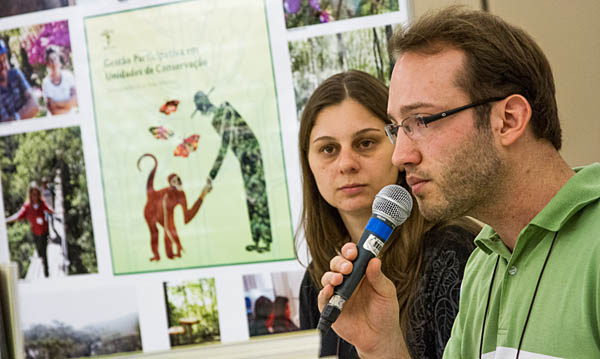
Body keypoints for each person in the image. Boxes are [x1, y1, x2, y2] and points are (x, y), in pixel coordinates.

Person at [319, 6, 600, 358]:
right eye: (397, 128)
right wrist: (382, 346)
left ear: (508, 120)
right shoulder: (485, 261)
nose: (400, 156)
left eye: (421, 121)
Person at [297, 70, 480, 358]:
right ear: (308, 163)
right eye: (328, 149)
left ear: (399, 145)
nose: (346, 164)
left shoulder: (455, 250)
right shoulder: (315, 282)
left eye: (365, 143)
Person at [192, 90, 273, 253]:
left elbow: (224, 146)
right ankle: (257, 240)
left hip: (251, 156)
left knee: (258, 198)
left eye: (202, 109)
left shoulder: (223, 113)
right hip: (244, 158)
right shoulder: (220, 114)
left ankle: (266, 241)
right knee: (252, 199)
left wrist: (212, 174)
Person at [6, 181, 55, 278]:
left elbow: (48, 208)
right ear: (30, 195)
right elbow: (19, 215)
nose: (35, 196)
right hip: (36, 232)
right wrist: (6, 220)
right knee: (39, 251)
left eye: (36, 194)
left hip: (44, 231)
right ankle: (42, 259)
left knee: (44, 251)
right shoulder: (27, 206)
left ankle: (46, 272)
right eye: (33, 194)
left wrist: (53, 211)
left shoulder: (42, 203)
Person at [0, 39, 39, 122]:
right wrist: (26, 112)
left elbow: (35, 105)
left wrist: (15, 118)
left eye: (4, 59)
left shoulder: (16, 74)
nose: (3, 66)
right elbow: (6, 124)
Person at [42, 46, 77, 115]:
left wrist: (56, 103)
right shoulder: (46, 83)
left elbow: (75, 102)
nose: (53, 63)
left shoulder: (68, 75)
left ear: (59, 60)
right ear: (48, 64)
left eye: (55, 59)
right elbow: (52, 110)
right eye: (50, 60)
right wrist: (68, 105)